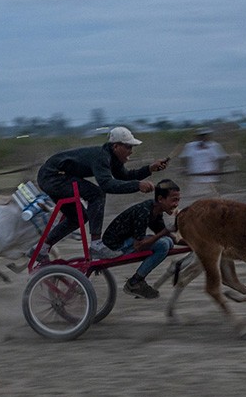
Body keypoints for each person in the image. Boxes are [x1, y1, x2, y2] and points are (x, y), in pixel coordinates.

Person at [34, 126, 169, 260]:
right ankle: (96, 245)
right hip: (52, 177)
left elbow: (125, 176)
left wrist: (150, 169)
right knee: (97, 194)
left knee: (78, 218)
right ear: (116, 146)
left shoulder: (112, 158)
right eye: (128, 147)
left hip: (52, 177)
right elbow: (107, 185)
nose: (131, 151)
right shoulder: (101, 157)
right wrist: (137, 185)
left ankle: (41, 249)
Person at [102, 179, 182, 299]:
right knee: (163, 244)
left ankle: (136, 281)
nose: (176, 204)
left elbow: (170, 237)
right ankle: (135, 282)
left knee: (169, 242)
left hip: (128, 240)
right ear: (160, 199)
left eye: (178, 200)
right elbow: (138, 245)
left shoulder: (156, 210)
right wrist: (165, 231)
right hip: (114, 246)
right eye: (174, 200)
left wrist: (194, 244)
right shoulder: (144, 211)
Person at [178, 127, 229, 201]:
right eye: (201, 135)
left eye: (205, 135)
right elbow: (183, 158)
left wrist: (219, 170)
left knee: (212, 199)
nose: (203, 137)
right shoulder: (190, 146)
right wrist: (184, 168)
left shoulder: (214, 146)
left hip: (211, 178)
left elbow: (221, 158)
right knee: (196, 199)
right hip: (195, 179)